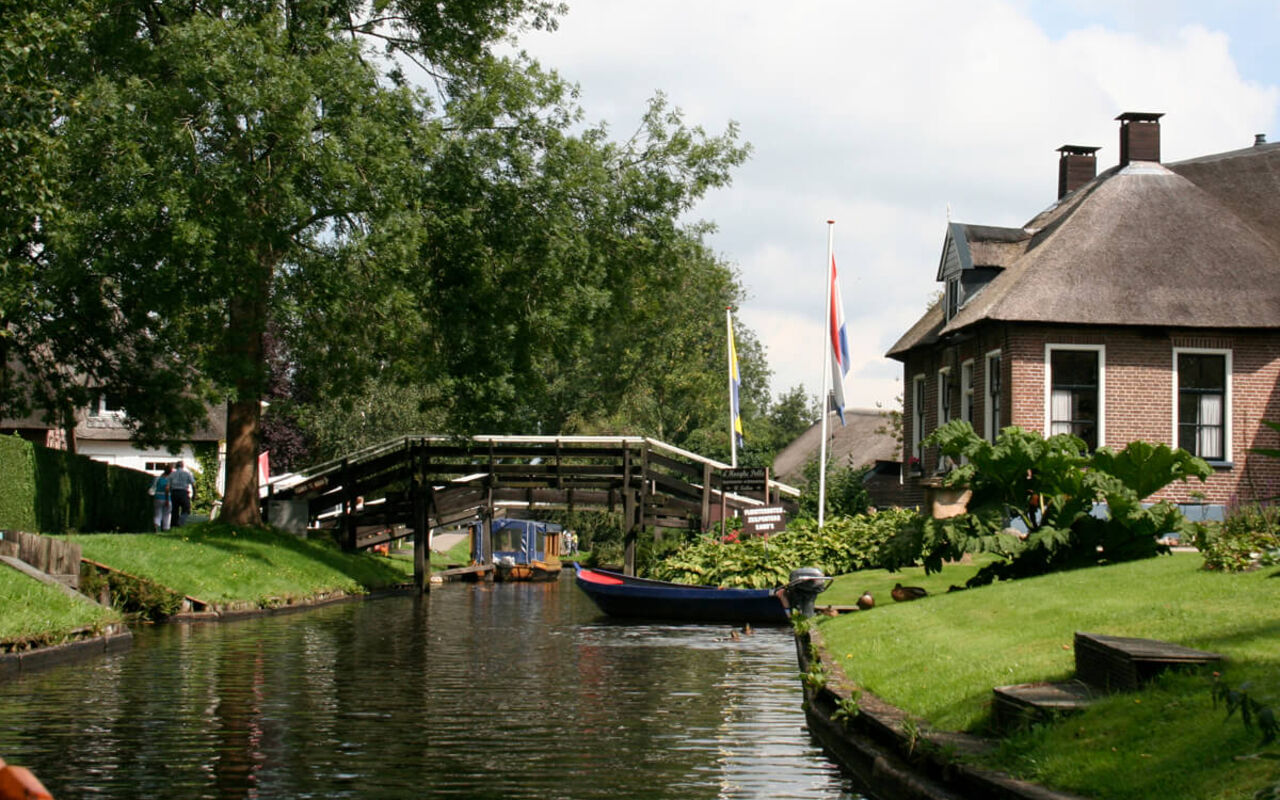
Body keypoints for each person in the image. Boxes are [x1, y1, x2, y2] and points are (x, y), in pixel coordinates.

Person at [168, 460, 196, 528]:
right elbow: (193, 484)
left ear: (176, 466)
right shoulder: (187, 473)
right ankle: (181, 521)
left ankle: (174, 525)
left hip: (174, 492)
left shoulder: (172, 474)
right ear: (183, 466)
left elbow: (168, 485)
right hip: (183, 492)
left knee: (174, 510)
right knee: (186, 508)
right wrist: (194, 494)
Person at [150, 465, 172, 533]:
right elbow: (167, 489)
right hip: (167, 497)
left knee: (157, 514)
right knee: (166, 515)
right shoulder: (169, 480)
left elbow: (152, 487)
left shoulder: (157, 478)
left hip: (157, 497)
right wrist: (167, 500)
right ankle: (166, 529)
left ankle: (156, 528)